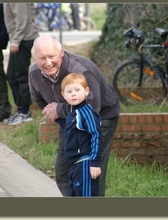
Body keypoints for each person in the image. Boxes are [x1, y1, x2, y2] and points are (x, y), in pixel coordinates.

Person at [28, 34, 120, 196]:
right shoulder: (34, 73)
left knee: (92, 172)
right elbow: (40, 99)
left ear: (61, 52)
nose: (48, 63)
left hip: (100, 118)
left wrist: (59, 110)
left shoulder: (81, 71)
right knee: (63, 170)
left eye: (52, 56)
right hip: (69, 120)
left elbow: (91, 109)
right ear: (35, 57)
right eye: (42, 58)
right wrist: (61, 118)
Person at [54, 73, 102, 196]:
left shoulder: (87, 112)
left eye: (77, 90)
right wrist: (57, 119)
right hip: (75, 165)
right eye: (69, 91)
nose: (73, 94)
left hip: (85, 163)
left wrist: (95, 162)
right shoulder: (73, 112)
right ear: (63, 95)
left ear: (86, 91)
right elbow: (72, 129)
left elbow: (95, 135)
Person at [3, 3, 39, 125]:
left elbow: (22, 17)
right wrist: (32, 20)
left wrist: (16, 40)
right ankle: (20, 110)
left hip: (22, 40)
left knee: (20, 76)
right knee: (11, 76)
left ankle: (25, 112)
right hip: (18, 39)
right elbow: (30, 8)